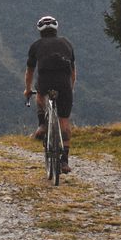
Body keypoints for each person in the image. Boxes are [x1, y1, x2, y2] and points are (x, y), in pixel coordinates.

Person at [24, 14, 76, 172]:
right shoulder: (67, 43)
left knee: (40, 96)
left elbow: (30, 71)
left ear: (40, 31)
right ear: (56, 29)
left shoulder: (36, 45)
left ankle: (41, 125)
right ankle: (64, 161)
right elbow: (73, 72)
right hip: (64, 83)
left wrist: (27, 89)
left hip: (45, 81)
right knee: (64, 121)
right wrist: (69, 89)